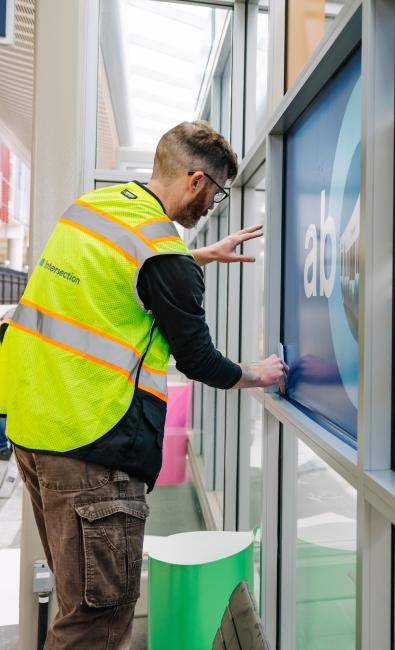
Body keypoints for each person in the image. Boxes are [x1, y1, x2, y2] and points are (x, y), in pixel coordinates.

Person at [0, 120, 287, 648]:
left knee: (77, 605)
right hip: (92, 445)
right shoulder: (163, 252)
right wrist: (257, 374)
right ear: (197, 181)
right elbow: (197, 358)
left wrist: (197, 254)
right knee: (97, 621)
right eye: (219, 193)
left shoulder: (95, 210)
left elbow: (118, 272)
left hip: (34, 431)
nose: (213, 206)